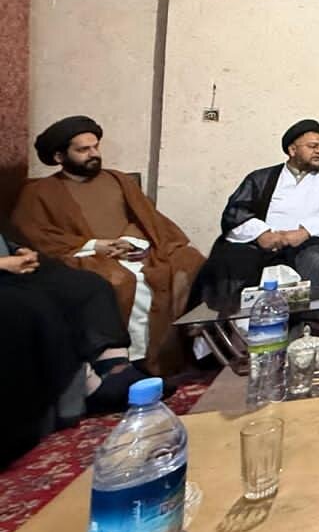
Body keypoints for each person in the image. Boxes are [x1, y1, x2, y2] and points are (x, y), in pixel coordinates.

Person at [13, 116, 205, 375]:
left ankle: (177, 356)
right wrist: (95, 245)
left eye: (95, 147)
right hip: (86, 255)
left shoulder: (118, 180)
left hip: (135, 250)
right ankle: (127, 364)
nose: (93, 154)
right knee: (120, 280)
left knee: (189, 261)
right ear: (59, 156)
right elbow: (37, 236)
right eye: (83, 150)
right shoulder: (39, 191)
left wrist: (130, 241)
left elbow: (145, 218)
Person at [2, 224, 144, 467]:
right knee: (33, 304)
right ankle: (87, 387)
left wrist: (19, 252)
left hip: (10, 266)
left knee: (88, 285)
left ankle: (115, 367)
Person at [198, 119, 319, 306]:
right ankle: (237, 318)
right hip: (265, 245)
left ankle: (312, 319)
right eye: (313, 146)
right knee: (230, 259)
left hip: (310, 243)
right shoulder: (261, 178)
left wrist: (304, 232)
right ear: (292, 150)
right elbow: (236, 213)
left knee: (317, 261)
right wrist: (262, 234)